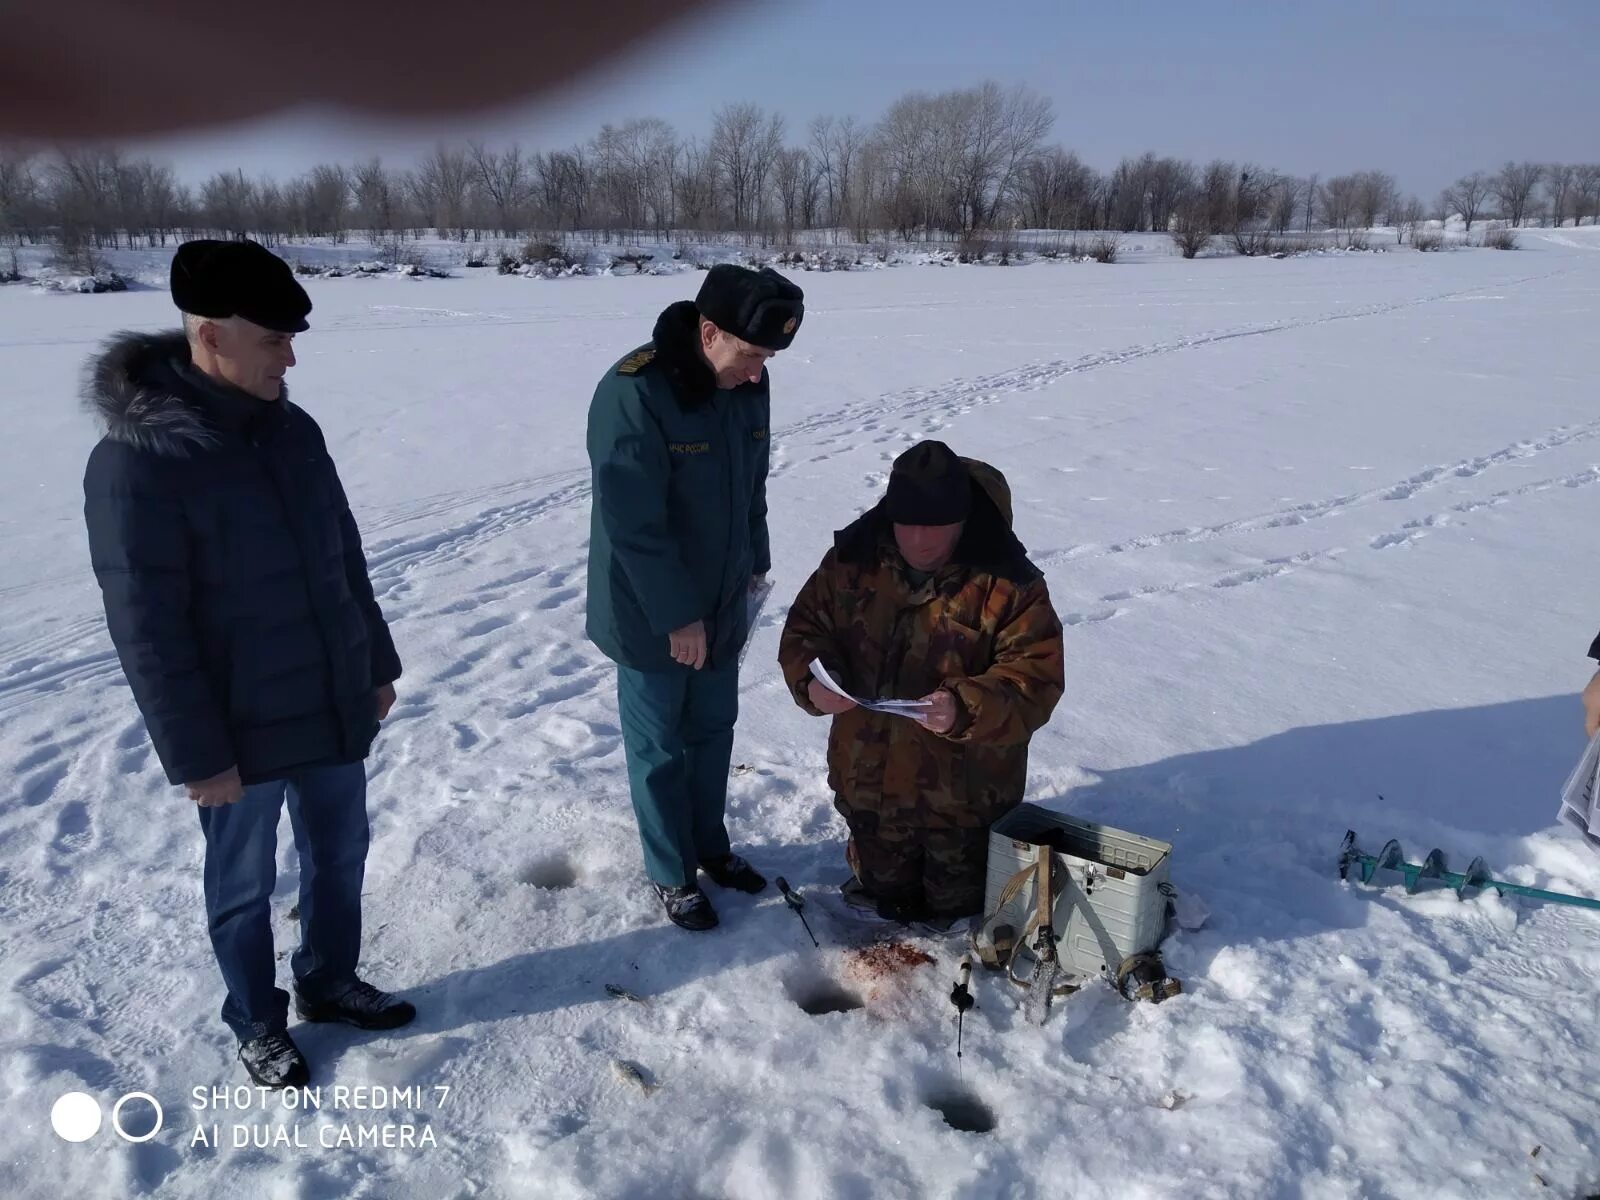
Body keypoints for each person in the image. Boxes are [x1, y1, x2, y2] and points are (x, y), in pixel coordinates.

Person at [82, 239, 414, 1089]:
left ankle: (330, 981)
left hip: (331, 694)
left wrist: (373, 662)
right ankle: (257, 1021)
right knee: (243, 885)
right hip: (236, 726)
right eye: (273, 339)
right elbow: (147, 627)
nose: (292, 356)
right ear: (209, 336)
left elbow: (344, 555)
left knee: (340, 856)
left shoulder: (293, 429)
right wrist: (199, 755)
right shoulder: (138, 462)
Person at [585, 264, 804, 930]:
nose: (759, 371)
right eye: (750, 354)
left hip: (724, 596)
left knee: (713, 731)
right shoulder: (637, 391)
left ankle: (710, 846)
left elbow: (750, 488)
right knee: (660, 745)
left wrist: (755, 566)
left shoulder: (747, 385)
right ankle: (670, 871)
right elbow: (633, 522)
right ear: (709, 332)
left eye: (769, 357)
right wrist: (678, 613)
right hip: (653, 610)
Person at [778, 440, 1066, 924]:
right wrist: (812, 683)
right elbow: (806, 630)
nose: (921, 541)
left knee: (957, 906)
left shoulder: (1009, 582)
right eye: (907, 525)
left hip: (963, 801)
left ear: (965, 520)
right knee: (884, 892)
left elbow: (1034, 681)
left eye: (937, 528)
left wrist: (964, 707)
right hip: (870, 787)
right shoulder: (853, 562)